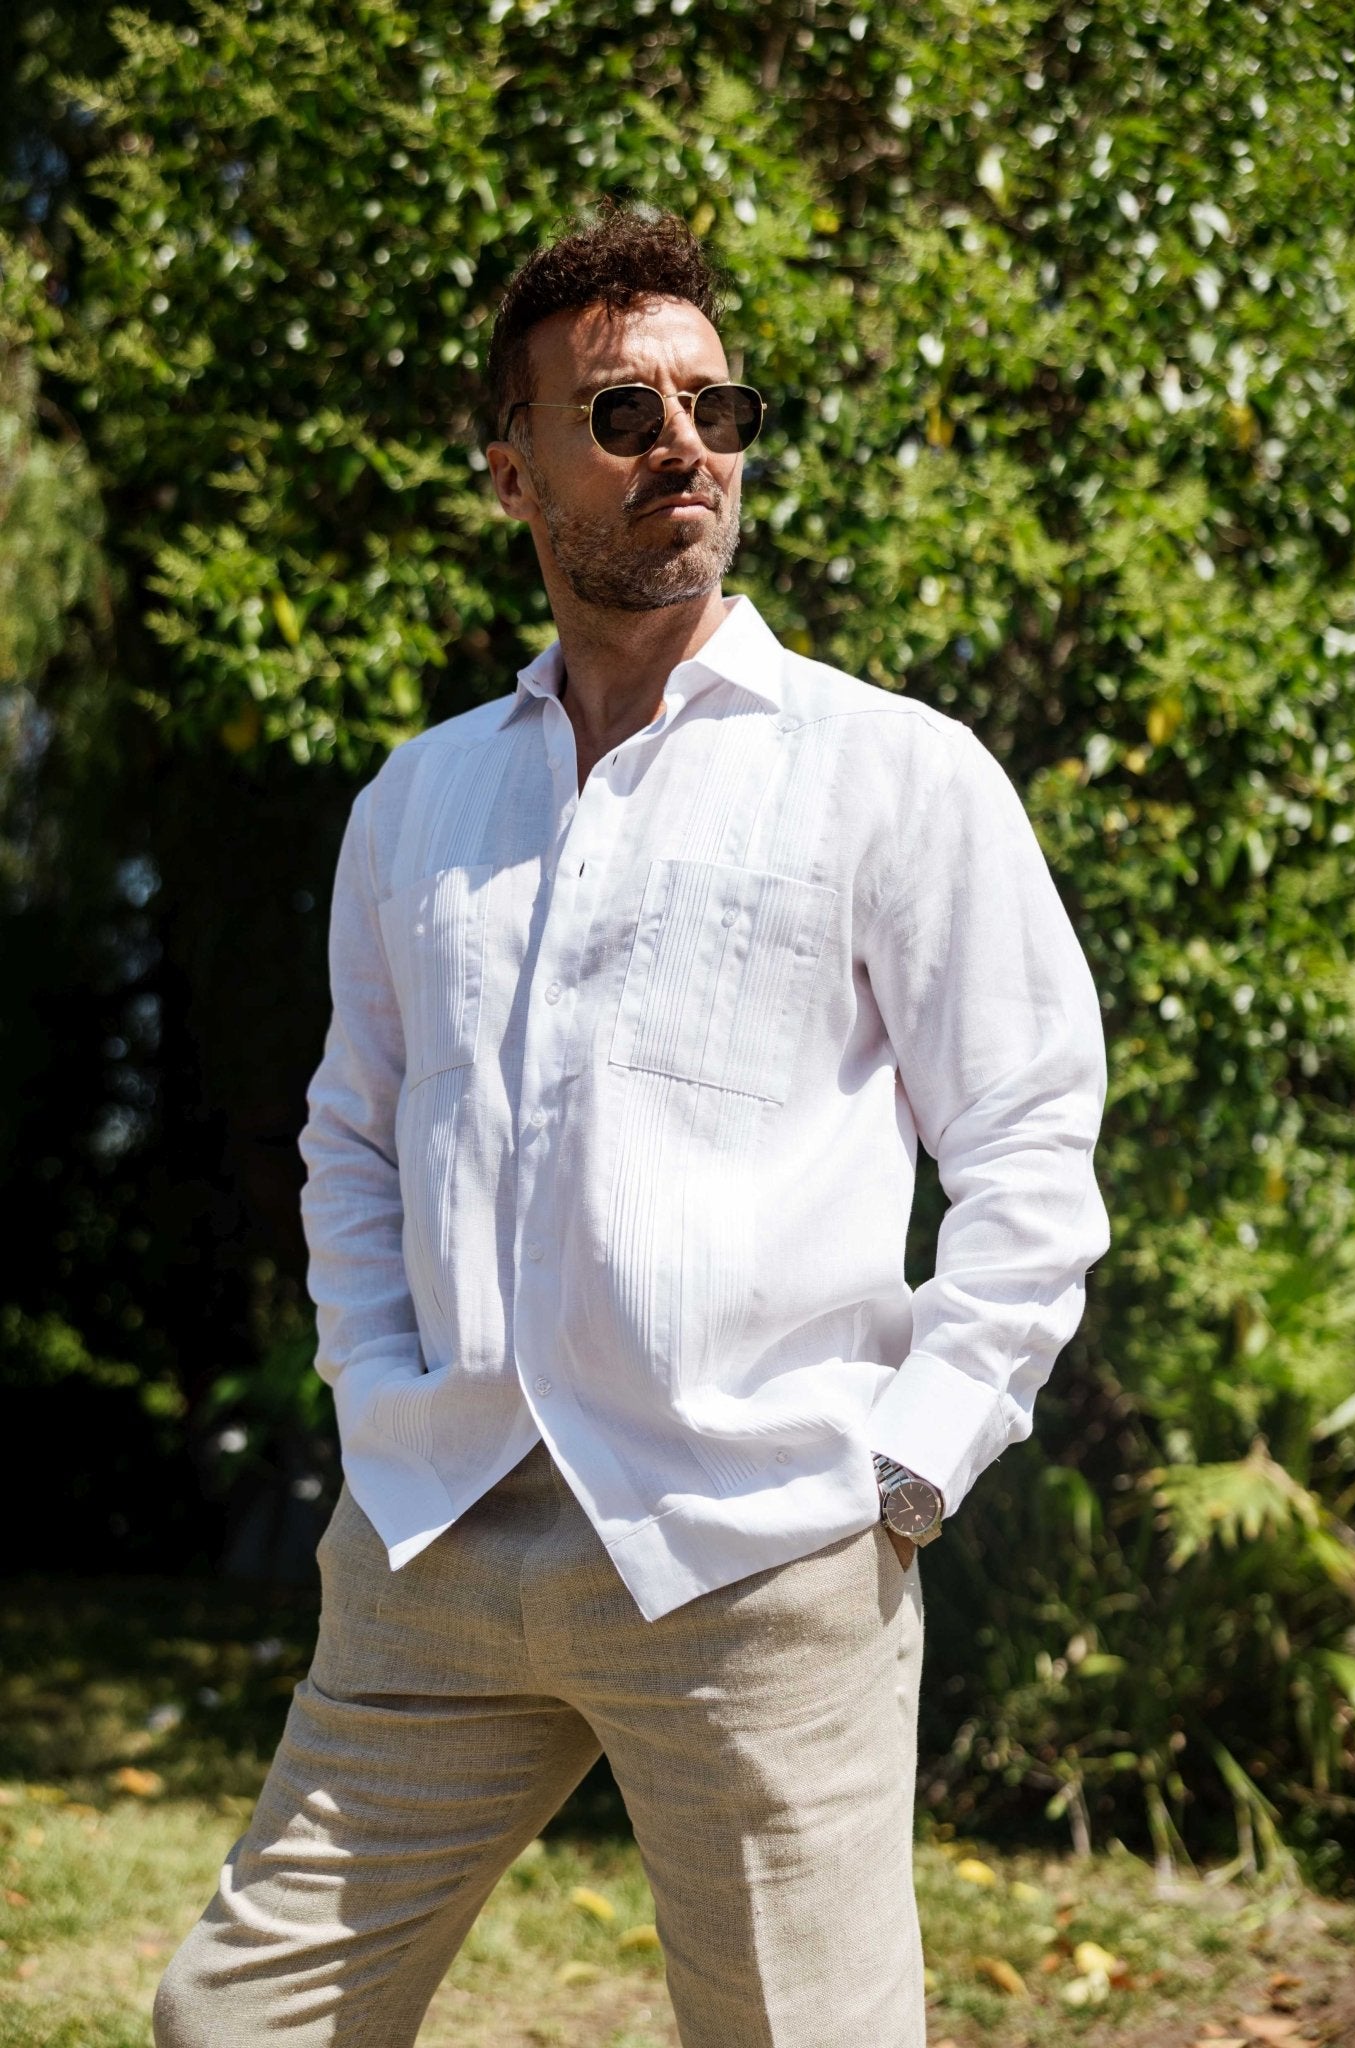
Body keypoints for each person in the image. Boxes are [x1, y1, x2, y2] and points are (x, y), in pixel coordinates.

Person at [155, 201, 1109, 2048]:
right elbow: (350, 1135)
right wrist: (371, 1392)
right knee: (230, 2025)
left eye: (715, 406)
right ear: (511, 473)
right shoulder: (415, 804)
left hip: (759, 1550)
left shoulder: (892, 771)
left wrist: (905, 1474)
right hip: (432, 1549)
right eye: (620, 412)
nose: (685, 444)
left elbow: (1028, 1143)